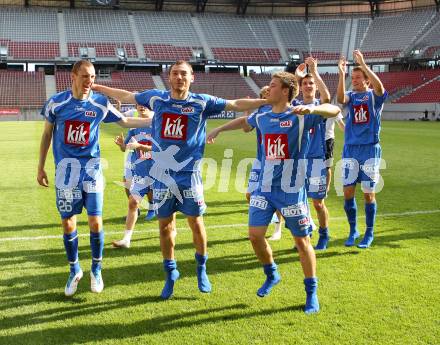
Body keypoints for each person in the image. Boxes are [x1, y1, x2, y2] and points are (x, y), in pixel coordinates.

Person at [92, 60, 267, 299]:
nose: (179, 77)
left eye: (183, 74)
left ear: (191, 78)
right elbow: (129, 96)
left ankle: (201, 269)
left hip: (189, 176)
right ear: (169, 77)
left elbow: (236, 104)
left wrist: (266, 101)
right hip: (162, 176)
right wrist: (102, 89)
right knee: (165, 227)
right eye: (175, 73)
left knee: (196, 223)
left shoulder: (201, 102)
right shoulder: (157, 99)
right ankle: (170, 273)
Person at [208, 71, 340, 314]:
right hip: (264, 188)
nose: (268, 89)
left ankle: (311, 293)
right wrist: (218, 130)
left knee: (302, 241)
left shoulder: (300, 115)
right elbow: (244, 123)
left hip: (291, 188)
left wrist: (313, 110)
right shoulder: (263, 114)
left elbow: (334, 110)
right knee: (255, 236)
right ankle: (272, 274)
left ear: (286, 91)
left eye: (273, 85)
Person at [37, 60, 152, 296]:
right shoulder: (57, 103)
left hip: (92, 171)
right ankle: (74, 270)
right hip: (66, 173)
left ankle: (96, 270)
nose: (90, 81)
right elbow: (47, 134)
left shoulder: (100, 103)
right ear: (73, 76)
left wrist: (155, 121)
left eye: (92, 77)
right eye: (85, 76)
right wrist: (40, 167)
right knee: (68, 223)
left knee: (95, 222)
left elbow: (126, 121)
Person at [337, 50, 387, 248]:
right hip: (350, 149)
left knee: (368, 194)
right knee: (348, 192)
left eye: (359, 78)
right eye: (353, 77)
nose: (355, 80)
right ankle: (353, 230)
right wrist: (341, 74)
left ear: (367, 80)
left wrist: (364, 65)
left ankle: (369, 232)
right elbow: (340, 99)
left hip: (369, 150)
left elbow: (381, 87)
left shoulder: (374, 97)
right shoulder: (351, 96)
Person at [296, 56, 333, 250]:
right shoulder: (294, 106)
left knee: (318, 203)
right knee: (299, 201)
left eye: (312, 83)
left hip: (316, 160)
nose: (309, 86)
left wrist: (315, 71)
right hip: (297, 161)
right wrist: (297, 77)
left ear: (315, 86)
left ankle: (324, 234)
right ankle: (305, 234)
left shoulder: (321, 106)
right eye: (305, 83)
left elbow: (327, 97)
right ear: (300, 87)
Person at [112, 103, 156, 249]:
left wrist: (141, 147)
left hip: (161, 172)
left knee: (167, 208)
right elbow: (126, 147)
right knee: (133, 202)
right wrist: (120, 145)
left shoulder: (158, 124)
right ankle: (126, 239)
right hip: (141, 173)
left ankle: (171, 230)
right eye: (138, 105)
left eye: (144, 105)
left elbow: (163, 148)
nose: (141, 107)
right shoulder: (134, 127)